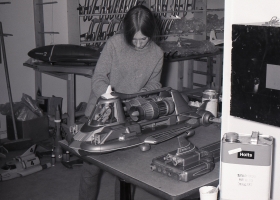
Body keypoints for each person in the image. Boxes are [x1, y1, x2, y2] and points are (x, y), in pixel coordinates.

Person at [79, 5, 164, 200]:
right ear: (126, 33)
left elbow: (154, 82)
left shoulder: (157, 53)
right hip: (100, 113)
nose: (140, 44)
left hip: (131, 114)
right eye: (134, 39)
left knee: (125, 172)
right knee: (91, 169)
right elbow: (98, 77)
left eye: (144, 39)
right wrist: (112, 96)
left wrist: (140, 96)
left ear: (151, 33)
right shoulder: (115, 44)